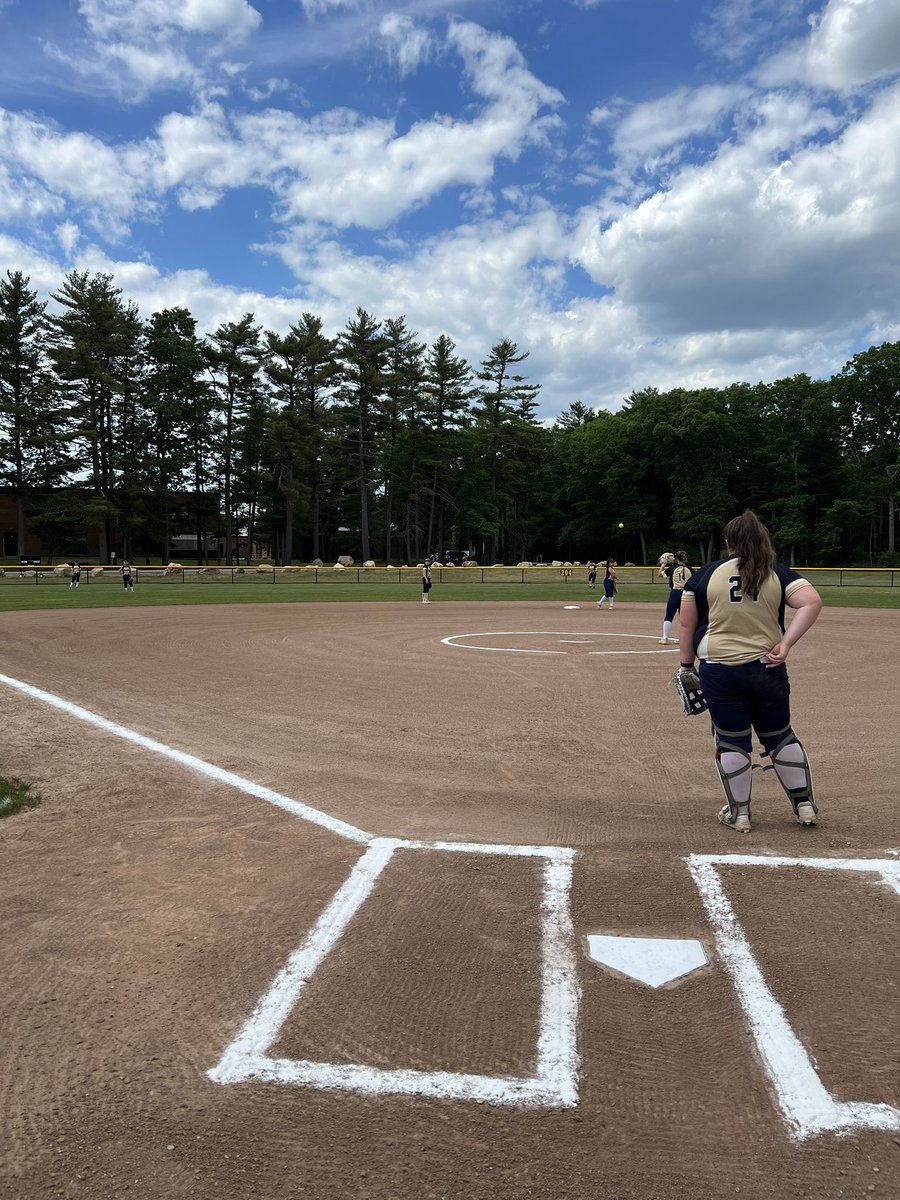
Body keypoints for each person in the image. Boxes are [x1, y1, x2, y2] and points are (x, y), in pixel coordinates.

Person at [678, 510, 822, 834]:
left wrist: (686, 664)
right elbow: (811, 601)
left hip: (720, 671)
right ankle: (804, 805)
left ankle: (739, 814)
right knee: (781, 735)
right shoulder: (777, 573)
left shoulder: (705, 574)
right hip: (766, 667)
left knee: (731, 740)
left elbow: (687, 623)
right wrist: (785, 644)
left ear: (729, 542)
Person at [659, 550, 694, 643]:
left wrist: (663, 564)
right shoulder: (691, 569)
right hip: (686, 594)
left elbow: (660, 574)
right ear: (685, 559)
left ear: (676, 559)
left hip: (675, 593)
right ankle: (682, 638)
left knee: (669, 615)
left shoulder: (672, 568)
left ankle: (665, 638)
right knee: (683, 617)